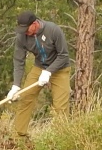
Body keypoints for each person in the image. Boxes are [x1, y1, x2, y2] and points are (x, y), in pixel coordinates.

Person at [9, 11, 70, 140]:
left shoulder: (53, 30)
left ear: (35, 23)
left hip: (60, 69)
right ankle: (20, 137)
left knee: (60, 107)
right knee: (25, 98)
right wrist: (16, 85)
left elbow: (63, 56)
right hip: (39, 68)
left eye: (26, 29)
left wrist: (49, 72)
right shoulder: (22, 36)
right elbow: (19, 60)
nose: (24, 32)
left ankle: (62, 140)